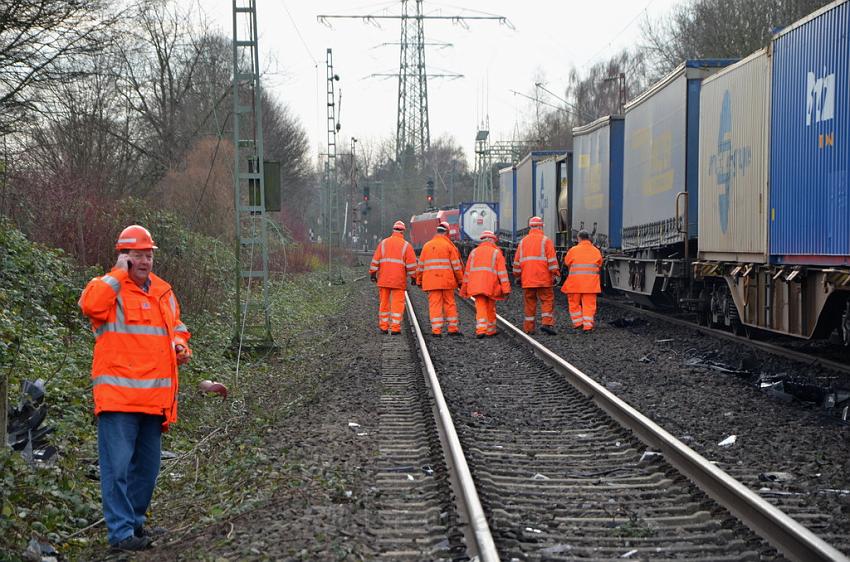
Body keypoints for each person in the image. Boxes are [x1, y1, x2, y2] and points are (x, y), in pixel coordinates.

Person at [78, 225, 192, 552]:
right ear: (124, 257)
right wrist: (117, 274)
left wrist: (179, 344)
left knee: (148, 469)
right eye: (138, 255)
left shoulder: (163, 291)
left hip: (153, 400)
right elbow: (90, 307)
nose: (145, 261)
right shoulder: (106, 288)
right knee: (116, 470)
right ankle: (121, 535)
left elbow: (178, 326)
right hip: (118, 401)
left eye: (149, 254)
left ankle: (135, 523)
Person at [512, 216, 560, 335]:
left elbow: (517, 262)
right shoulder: (546, 240)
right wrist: (556, 274)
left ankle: (529, 328)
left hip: (528, 279)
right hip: (544, 278)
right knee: (547, 300)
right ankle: (546, 323)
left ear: (530, 227)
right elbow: (552, 261)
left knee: (530, 302)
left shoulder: (523, 242)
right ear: (540, 226)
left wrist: (517, 276)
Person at [369, 220, 418, 334]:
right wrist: (414, 278)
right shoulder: (406, 246)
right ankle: (395, 328)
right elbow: (411, 266)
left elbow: (375, 260)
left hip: (384, 279)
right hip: (398, 280)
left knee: (384, 303)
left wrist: (373, 274)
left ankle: (384, 327)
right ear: (403, 232)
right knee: (397, 304)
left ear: (393, 230)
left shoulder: (383, 243)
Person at [460, 230, 511, 338]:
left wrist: (464, 289)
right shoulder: (496, 253)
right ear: (492, 240)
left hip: (476, 285)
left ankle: (481, 330)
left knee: (481, 306)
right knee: (490, 307)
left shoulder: (473, 252)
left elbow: (467, 273)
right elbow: (502, 274)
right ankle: (490, 329)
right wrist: (506, 290)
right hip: (491, 286)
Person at [416, 221, 464, 336]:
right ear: (446, 232)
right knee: (450, 303)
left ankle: (436, 330)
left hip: (432, 282)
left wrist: (419, 280)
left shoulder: (427, 246)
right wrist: (461, 280)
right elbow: (457, 266)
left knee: (434, 304)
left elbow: (420, 266)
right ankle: (452, 329)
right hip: (447, 281)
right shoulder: (449, 246)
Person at [561, 229, 603, 332]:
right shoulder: (596, 251)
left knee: (574, 304)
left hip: (575, 284)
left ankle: (578, 323)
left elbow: (567, 262)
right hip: (591, 285)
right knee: (589, 305)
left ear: (578, 238)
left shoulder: (573, 250)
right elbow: (600, 264)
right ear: (589, 238)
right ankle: (588, 325)